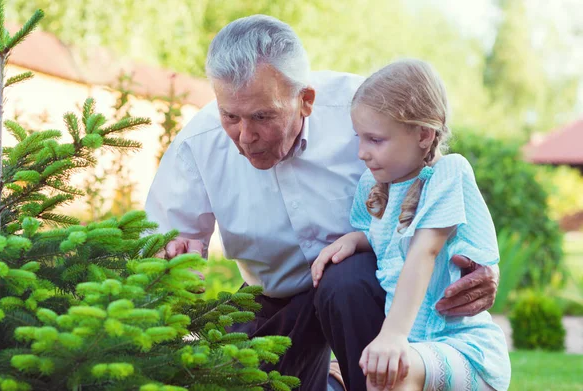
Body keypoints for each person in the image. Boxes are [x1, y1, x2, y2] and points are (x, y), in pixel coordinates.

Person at [145, 15, 501, 391]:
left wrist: (482, 265)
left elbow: (435, 179)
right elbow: (161, 246)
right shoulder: (198, 144)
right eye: (230, 116)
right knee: (238, 380)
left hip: (368, 289)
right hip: (277, 298)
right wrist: (175, 262)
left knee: (344, 282)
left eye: (263, 116)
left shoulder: (369, 112)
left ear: (306, 101)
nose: (245, 136)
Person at [311, 59, 511, 391]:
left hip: (462, 348)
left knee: (393, 372)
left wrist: (392, 334)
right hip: (415, 347)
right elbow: (385, 238)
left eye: (375, 140)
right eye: (359, 138)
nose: (362, 152)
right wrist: (355, 239)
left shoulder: (448, 174)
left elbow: (424, 251)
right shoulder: (374, 186)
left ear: (423, 134)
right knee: (376, 376)